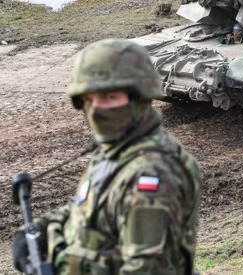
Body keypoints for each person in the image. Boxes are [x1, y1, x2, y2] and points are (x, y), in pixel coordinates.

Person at [11, 39, 202, 274]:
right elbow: (92, 211)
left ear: (139, 98)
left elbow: (146, 269)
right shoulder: (119, 150)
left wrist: (64, 266)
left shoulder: (153, 173)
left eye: (110, 98)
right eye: (89, 100)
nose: (97, 109)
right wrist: (39, 230)